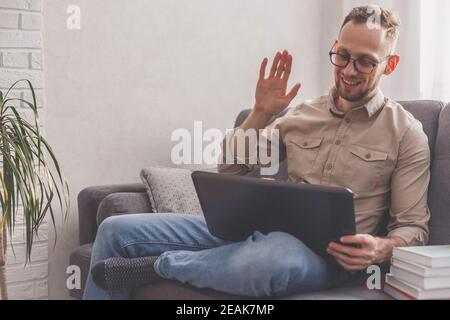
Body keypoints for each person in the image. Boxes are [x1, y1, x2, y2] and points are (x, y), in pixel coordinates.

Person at [83, 5, 430, 300]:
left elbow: (413, 228)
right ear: (335, 48)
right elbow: (231, 171)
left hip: (324, 261)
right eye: (343, 56)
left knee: (269, 259)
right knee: (115, 229)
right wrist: (261, 113)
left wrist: (381, 248)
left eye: (366, 62)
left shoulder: (406, 133)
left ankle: (158, 266)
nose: (349, 70)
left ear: (391, 63)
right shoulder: (302, 114)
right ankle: (213, 256)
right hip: (256, 231)